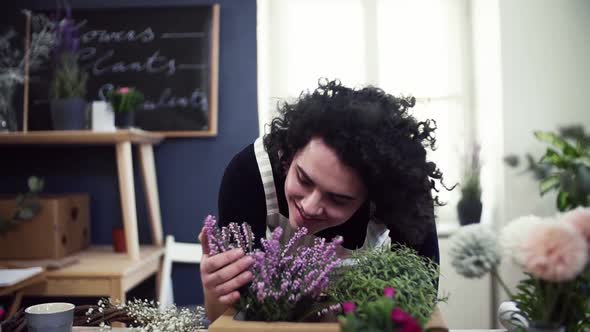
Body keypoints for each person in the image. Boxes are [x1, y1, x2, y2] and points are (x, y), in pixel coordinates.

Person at [198, 79, 449, 321]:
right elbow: (228, 317)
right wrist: (215, 287)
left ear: (374, 197)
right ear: (290, 153)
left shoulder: (401, 190)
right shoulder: (249, 174)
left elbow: (420, 298)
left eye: (338, 198)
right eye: (304, 179)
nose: (309, 206)